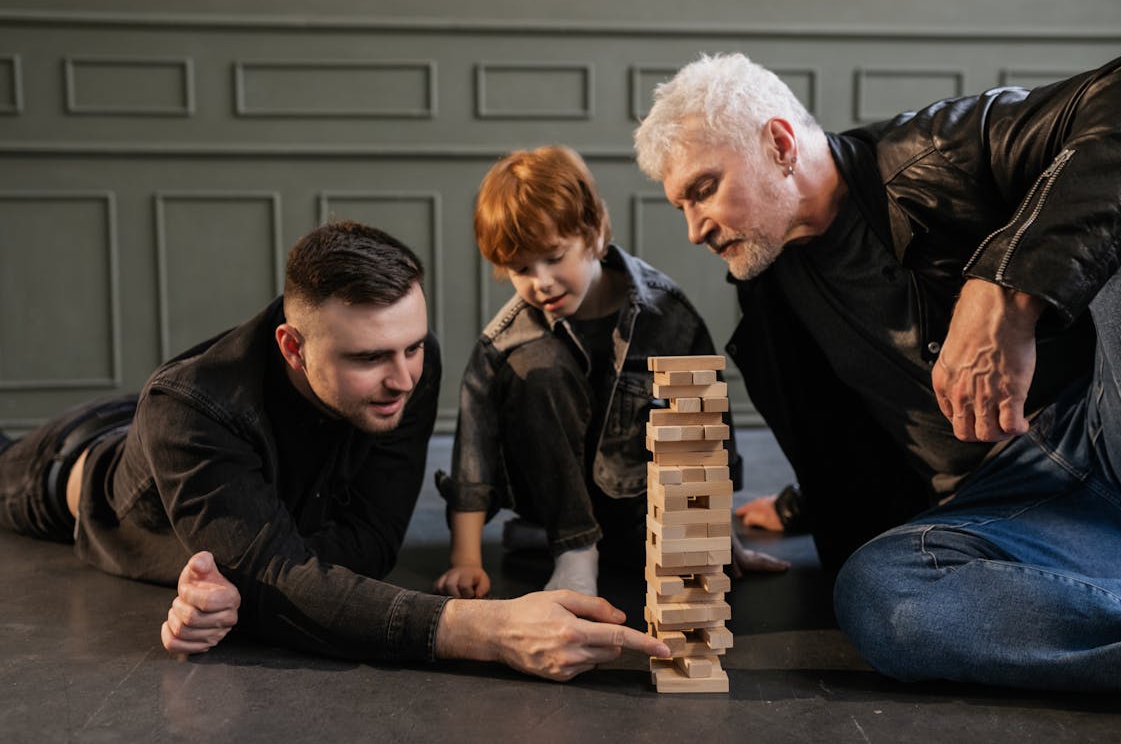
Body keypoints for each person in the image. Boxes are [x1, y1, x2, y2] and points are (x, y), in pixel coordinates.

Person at [633, 53, 1121, 691]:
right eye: (681, 206)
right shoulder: (773, 287)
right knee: (878, 593)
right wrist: (801, 504)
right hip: (1013, 507)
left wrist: (1008, 285)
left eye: (703, 189)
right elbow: (857, 425)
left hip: (1103, 420)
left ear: (779, 143)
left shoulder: (938, 152)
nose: (695, 228)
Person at [0, 220, 669, 680]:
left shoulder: (407, 365)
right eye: (371, 357)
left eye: (412, 346)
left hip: (182, 442)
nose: (406, 378)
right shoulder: (190, 411)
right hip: (66, 465)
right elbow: (291, 585)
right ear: (293, 346)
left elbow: (371, 542)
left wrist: (269, 580)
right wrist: (490, 631)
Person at [433, 145, 787, 599]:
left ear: (595, 233)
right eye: (521, 268)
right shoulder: (507, 340)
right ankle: (574, 553)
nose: (540, 282)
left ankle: (598, 547)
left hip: (636, 507)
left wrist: (715, 536)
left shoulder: (667, 315)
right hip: (554, 509)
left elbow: (704, 429)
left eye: (554, 257)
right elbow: (473, 453)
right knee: (539, 367)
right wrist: (465, 560)